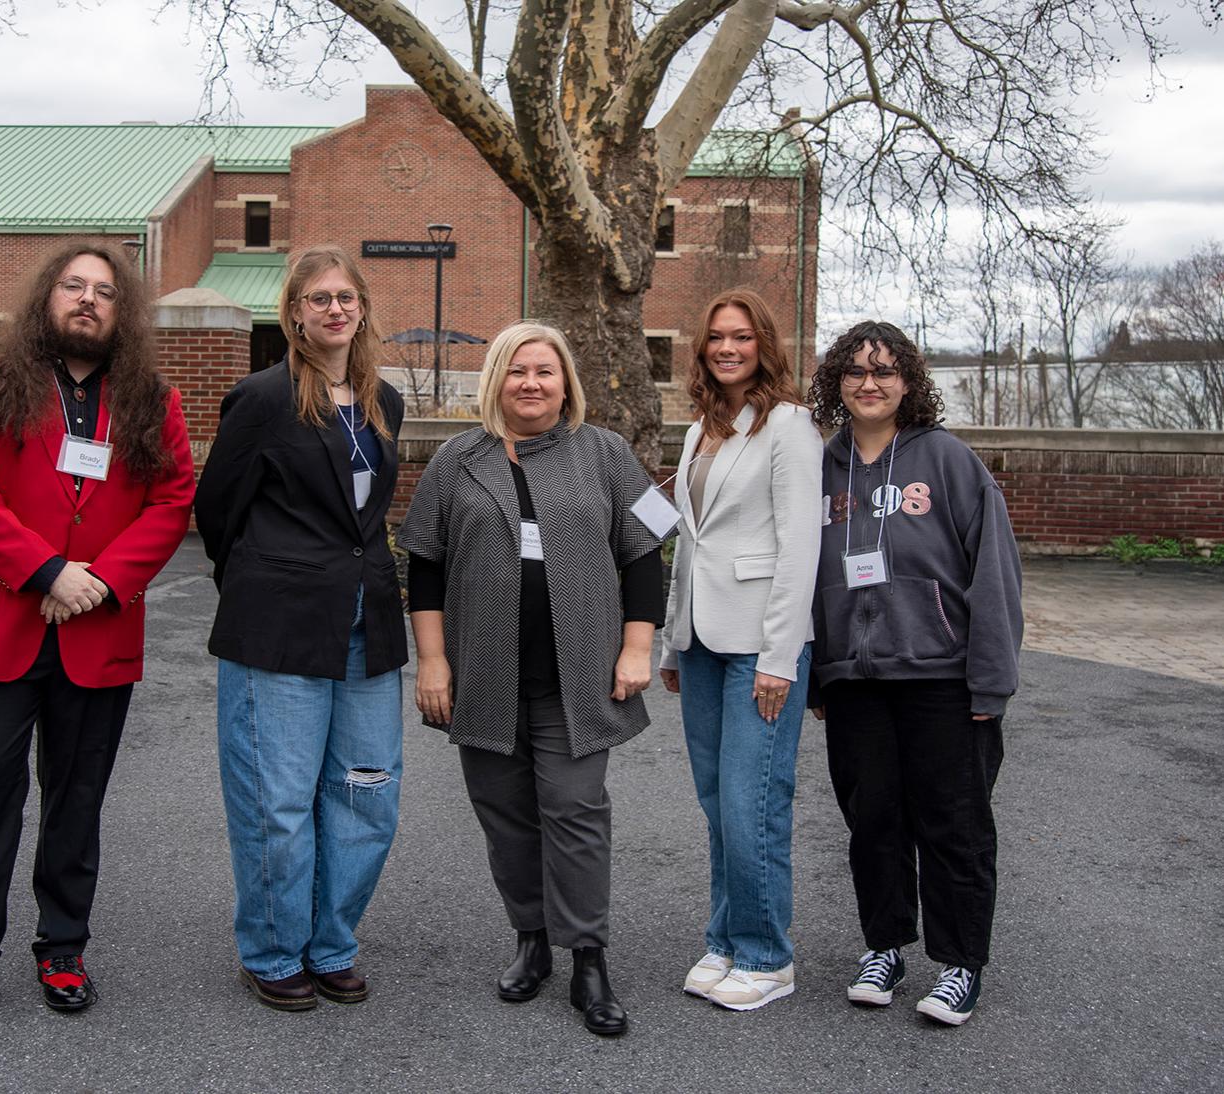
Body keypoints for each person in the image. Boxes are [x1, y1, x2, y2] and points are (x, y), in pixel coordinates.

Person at [0, 242, 195, 1036]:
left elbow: (172, 500)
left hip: (98, 631)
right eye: (74, 286)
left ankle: (63, 946)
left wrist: (102, 582)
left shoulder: (152, 399)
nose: (88, 300)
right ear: (48, 297)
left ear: (124, 311)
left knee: (76, 801)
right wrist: (49, 572)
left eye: (105, 291)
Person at [397, 321, 666, 1037]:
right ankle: (531, 940)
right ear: (495, 381)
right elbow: (422, 565)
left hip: (576, 678)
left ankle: (588, 957)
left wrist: (637, 647)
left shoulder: (606, 453)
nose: (531, 384)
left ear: (565, 380)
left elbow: (647, 552)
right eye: (517, 372)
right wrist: (432, 660)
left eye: (545, 371)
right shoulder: (457, 460)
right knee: (506, 817)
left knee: (576, 813)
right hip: (484, 674)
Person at [195, 244, 405, 1013]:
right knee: (277, 800)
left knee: (365, 793)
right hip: (277, 626)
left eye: (346, 297)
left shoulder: (386, 402)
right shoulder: (262, 399)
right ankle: (274, 949)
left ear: (363, 309)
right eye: (319, 298)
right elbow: (217, 512)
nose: (335, 309)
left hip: (365, 626)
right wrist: (266, 579)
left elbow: (367, 520)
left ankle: (331, 942)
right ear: (294, 313)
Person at [807, 320, 1023, 1026]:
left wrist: (990, 680)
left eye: (885, 370)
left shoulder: (949, 462)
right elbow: (800, 578)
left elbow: (993, 572)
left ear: (908, 382)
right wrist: (817, 672)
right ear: (837, 381)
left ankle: (961, 964)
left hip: (942, 677)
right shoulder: (821, 469)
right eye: (856, 371)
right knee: (873, 821)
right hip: (856, 681)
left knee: (953, 825)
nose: (870, 383)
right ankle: (886, 947)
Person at [657, 289, 822, 1012]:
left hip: (760, 645)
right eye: (717, 336)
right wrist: (670, 638)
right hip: (699, 639)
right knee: (718, 802)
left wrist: (780, 656)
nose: (728, 347)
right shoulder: (701, 429)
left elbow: (800, 549)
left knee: (754, 803)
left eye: (742, 336)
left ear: (764, 345)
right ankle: (725, 941)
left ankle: (767, 956)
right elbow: (687, 543)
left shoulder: (789, 426)